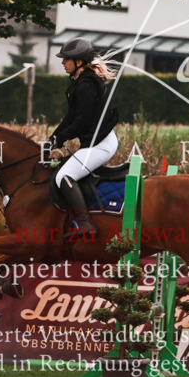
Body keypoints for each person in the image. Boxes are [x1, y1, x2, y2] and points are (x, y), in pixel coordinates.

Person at [46, 37, 119, 237]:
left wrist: (60, 138)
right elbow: (71, 117)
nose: (62, 62)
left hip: (101, 144)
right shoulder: (80, 82)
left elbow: (83, 121)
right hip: (95, 142)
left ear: (79, 61)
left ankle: (85, 224)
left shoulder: (86, 84)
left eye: (66, 59)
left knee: (64, 176)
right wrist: (54, 138)